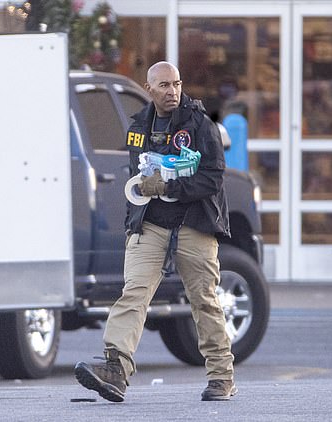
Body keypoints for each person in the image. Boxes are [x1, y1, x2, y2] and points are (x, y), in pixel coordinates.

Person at [74, 61, 236, 402]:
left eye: (176, 83)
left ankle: (221, 376)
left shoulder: (200, 125)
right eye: (164, 85)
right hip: (150, 224)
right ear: (149, 89)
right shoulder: (138, 126)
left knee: (204, 300)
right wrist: (144, 188)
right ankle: (115, 369)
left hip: (193, 224)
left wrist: (171, 185)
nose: (172, 91)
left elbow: (213, 177)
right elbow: (137, 171)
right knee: (132, 294)